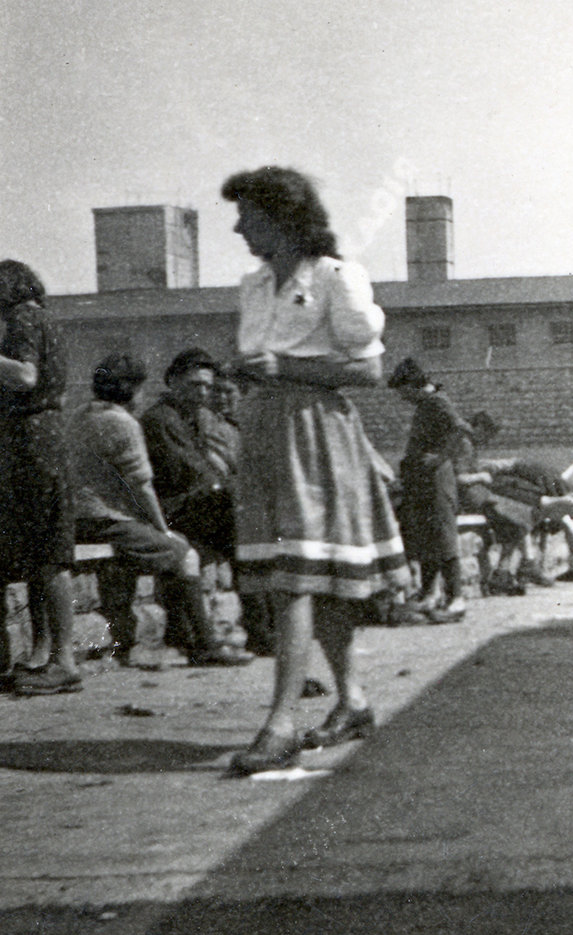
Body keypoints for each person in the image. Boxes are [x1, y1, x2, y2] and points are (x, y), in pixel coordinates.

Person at [222, 166, 410, 775]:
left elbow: (369, 372)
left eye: (249, 218)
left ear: (283, 220)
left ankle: (280, 724)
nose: (239, 229)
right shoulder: (254, 286)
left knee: (295, 578)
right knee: (311, 572)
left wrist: (286, 370)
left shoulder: (334, 277)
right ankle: (352, 700)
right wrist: (252, 373)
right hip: (265, 431)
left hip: (314, 431)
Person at [70, 354, 253, 671]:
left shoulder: (80, 417)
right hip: (107, 519)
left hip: (79, 519)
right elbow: (142, 485)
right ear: (131, 389)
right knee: (185, 554)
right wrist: (162, 529)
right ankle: (205, 645)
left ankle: (185, 636)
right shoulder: (124, 423)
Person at [142, 347, 275, 655]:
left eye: (206, 385)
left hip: (192, 507)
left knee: (248, 528)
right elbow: (192, 473)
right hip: (168, 509)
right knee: (243, 525)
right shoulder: (161, 420)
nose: (202, 392)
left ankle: (262, 626)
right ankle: (258, 629)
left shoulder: (192, 418)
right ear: (172, 381)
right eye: (194, 384)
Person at [0, 260, 79, 695]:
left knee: (48, 554)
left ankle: (63, 660)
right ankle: (45, 655)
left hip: (30, 442)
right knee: (44, 551)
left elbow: (25, 376)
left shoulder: (22, 319)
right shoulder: (49, 320)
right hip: (48, 437)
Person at [465, 411, 573, 588]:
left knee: (533, 511)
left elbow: (495, 467)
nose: (488, 440)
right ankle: (521, 567)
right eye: (488, 434)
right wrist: (483, 474)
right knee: (531, 511)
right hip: (489, 493)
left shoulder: (473, 447)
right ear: (479, 428)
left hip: (508, 488)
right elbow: (474, 471)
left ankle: (522, 566)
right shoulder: (465, 445)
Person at [389, 358, 472, 622]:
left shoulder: (437, 402)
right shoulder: (427, 404)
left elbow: (461, 429)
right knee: (427, 538)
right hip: (422, 481)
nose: (403, 398)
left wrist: (439, 457)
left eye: (403, 392)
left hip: (436, 480)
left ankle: (456, 599)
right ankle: (428, 595)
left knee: (443, 537)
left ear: (413, 385)